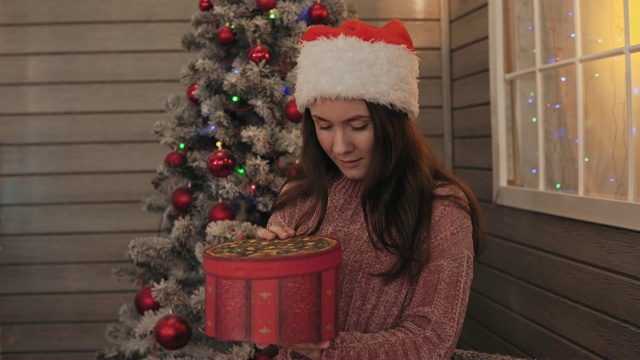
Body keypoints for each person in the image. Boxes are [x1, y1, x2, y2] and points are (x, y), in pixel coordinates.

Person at [256, 19, 486, 360]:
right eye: (324, 126)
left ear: (393, 123)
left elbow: (430, 342)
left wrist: (327, 350)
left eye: (358, 126)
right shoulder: (301, 194)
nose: (340, 146)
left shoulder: (442, 211)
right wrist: (272, 277)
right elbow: (267, 339)